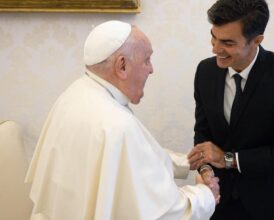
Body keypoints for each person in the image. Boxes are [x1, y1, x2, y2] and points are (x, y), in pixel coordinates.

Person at [25, 20, 220, 220]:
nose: (151, 69)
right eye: (147, 60)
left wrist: (185, 162)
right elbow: (162, 214)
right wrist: (205, 196)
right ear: (122, 65)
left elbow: (128, 160)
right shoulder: (116, 124)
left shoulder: (75, 94)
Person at [187, 0, 274, 219]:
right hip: (219, 201)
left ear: (256, 40)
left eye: (227, 42)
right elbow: (203, 134)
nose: (215, 48)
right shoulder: (205, 71)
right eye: (213, 37)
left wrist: (228, 159)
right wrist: (206, 170)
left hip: (270, 203)